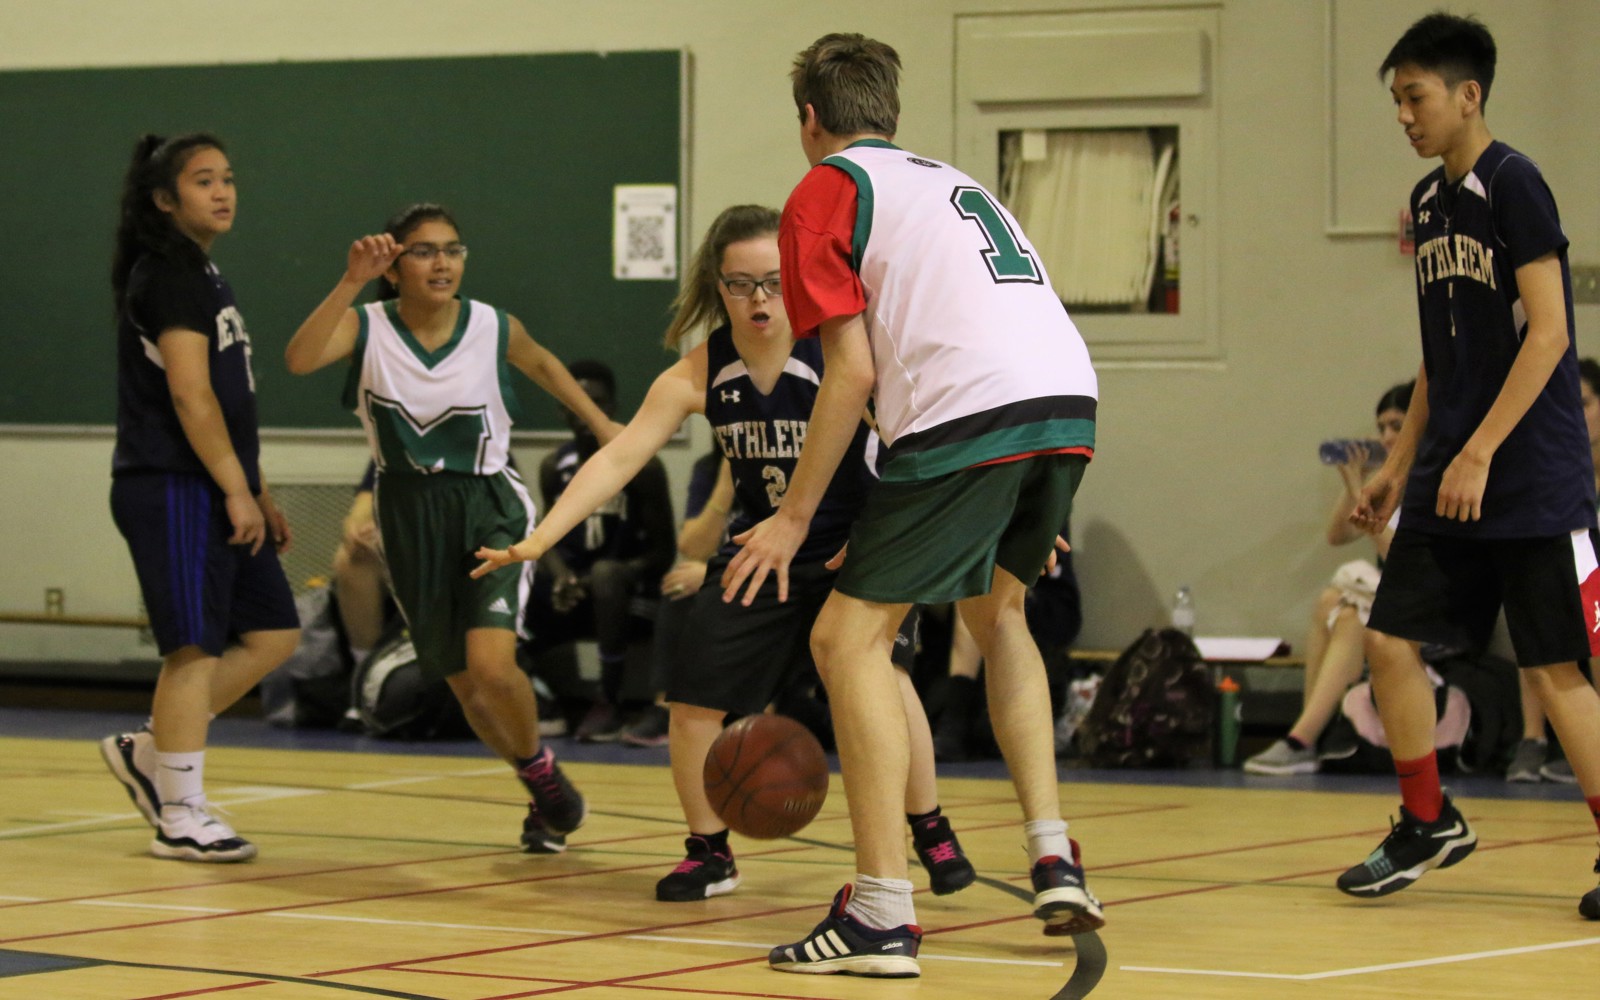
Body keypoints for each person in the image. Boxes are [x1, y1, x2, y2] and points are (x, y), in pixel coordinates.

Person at [721, 35, 1103, 978]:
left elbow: (851, 372)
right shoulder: (950, 182)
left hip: (969, 415)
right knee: (998, 611)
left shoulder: (825, 190)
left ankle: (882, 913)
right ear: (889, 112)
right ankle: (1053, 854)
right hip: (1063, 402)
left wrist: (794, 517)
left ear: (810, 119)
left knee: (844, 641)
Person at [473, 204, 974, 905]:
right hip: (760, 552)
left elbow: (929, 438)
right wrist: (540, 539)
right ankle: (709, 852)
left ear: (797, 279)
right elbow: (618, 456)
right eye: (740, 284)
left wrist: (990, 517)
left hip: (854, 551)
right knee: (691, 703)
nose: (758, 299)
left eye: (772, 282)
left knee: (886, 681)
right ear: (718, 285)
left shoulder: (843, 352)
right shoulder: (700, 371)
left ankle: (930, 827)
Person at [1340, 14, 1600, 921]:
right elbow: (1438, 353)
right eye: (1396, 100)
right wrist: (1398, 460)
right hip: (1450, 471)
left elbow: (1551, 333)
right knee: (1387, 640)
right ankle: (1428, 821)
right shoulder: (1429, 202)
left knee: (1555, 670)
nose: (1404, 116)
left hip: (1526, 476)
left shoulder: (1515, 182)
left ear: (1467, 94)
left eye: (1415, 97)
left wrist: (1483, 449)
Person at [285, 203, 618, 853]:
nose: (442, 262)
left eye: (453, 249)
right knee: (464, 682)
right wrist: (351, 280)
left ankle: (540, 774)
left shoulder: (493, 326)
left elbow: (544, 365)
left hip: (488, 502)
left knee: (492, 666)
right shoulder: (367, 326)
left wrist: (603, 427)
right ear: (393, 267)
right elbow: (299, 359)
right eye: (424, 251)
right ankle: (538, 782)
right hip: (408, 513)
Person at [99, 133, 301, 863]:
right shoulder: (168, 274)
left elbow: (231, 401)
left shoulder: (205, 273)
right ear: (164, 199)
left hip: (218, 482)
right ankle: (180, 812)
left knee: (275, 633)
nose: (223, 192)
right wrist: (234, 490)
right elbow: (190, 395)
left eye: (228, 178)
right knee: (193, 649)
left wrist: (257, 489)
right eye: (203, 181)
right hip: (172, 484)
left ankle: (152, 751)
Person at [1244, 381, 1413, 776]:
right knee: (1329, 603)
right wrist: (1357, 483)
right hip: (1389, 607)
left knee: (1351, 615)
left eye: (1397, 426)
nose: (1387, 436)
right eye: (1382, 427)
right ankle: (1308, 733)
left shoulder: (1432, 483)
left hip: (1428, 615)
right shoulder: (1387, 482)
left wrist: (1359, 490)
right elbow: (1337, 535)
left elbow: (1405, 563)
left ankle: (1302, 740)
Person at [528, 359, 675, 742]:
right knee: (504, 583)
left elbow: (664, 553)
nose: (586, 413)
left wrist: (613, 574)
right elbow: (546, 539)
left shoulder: (643, 467)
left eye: (598, 402)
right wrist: (562, 576)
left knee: (606, 574)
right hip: (577, 592)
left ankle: (609, 700)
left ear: (612, 407)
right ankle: (539, 698)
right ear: (563, 409)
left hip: (629, 594)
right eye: (577, 403)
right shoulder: (553, 467)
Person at [1506, 356, 1600, 783]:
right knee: (1531, 606)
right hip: (1569, 582)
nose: (1574, 413)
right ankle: (1534, 739)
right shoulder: (1548, 471)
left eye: (1584, 403)